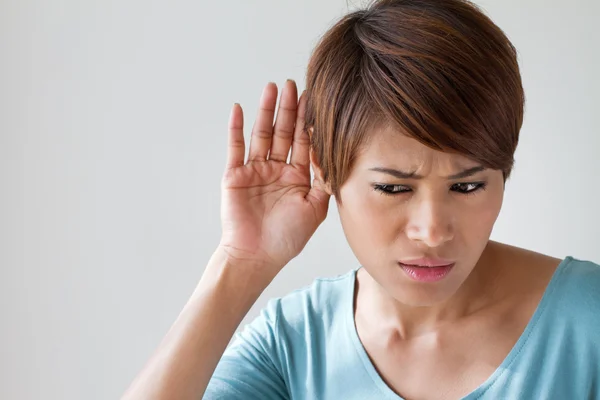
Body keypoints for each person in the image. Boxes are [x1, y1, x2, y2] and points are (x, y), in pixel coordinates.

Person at [122, 0, 600, 399]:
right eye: (394, 188)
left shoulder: (587, 319)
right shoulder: (293, 346)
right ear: (325, 170)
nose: (432, 230)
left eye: (468, 186)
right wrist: (239, 265)